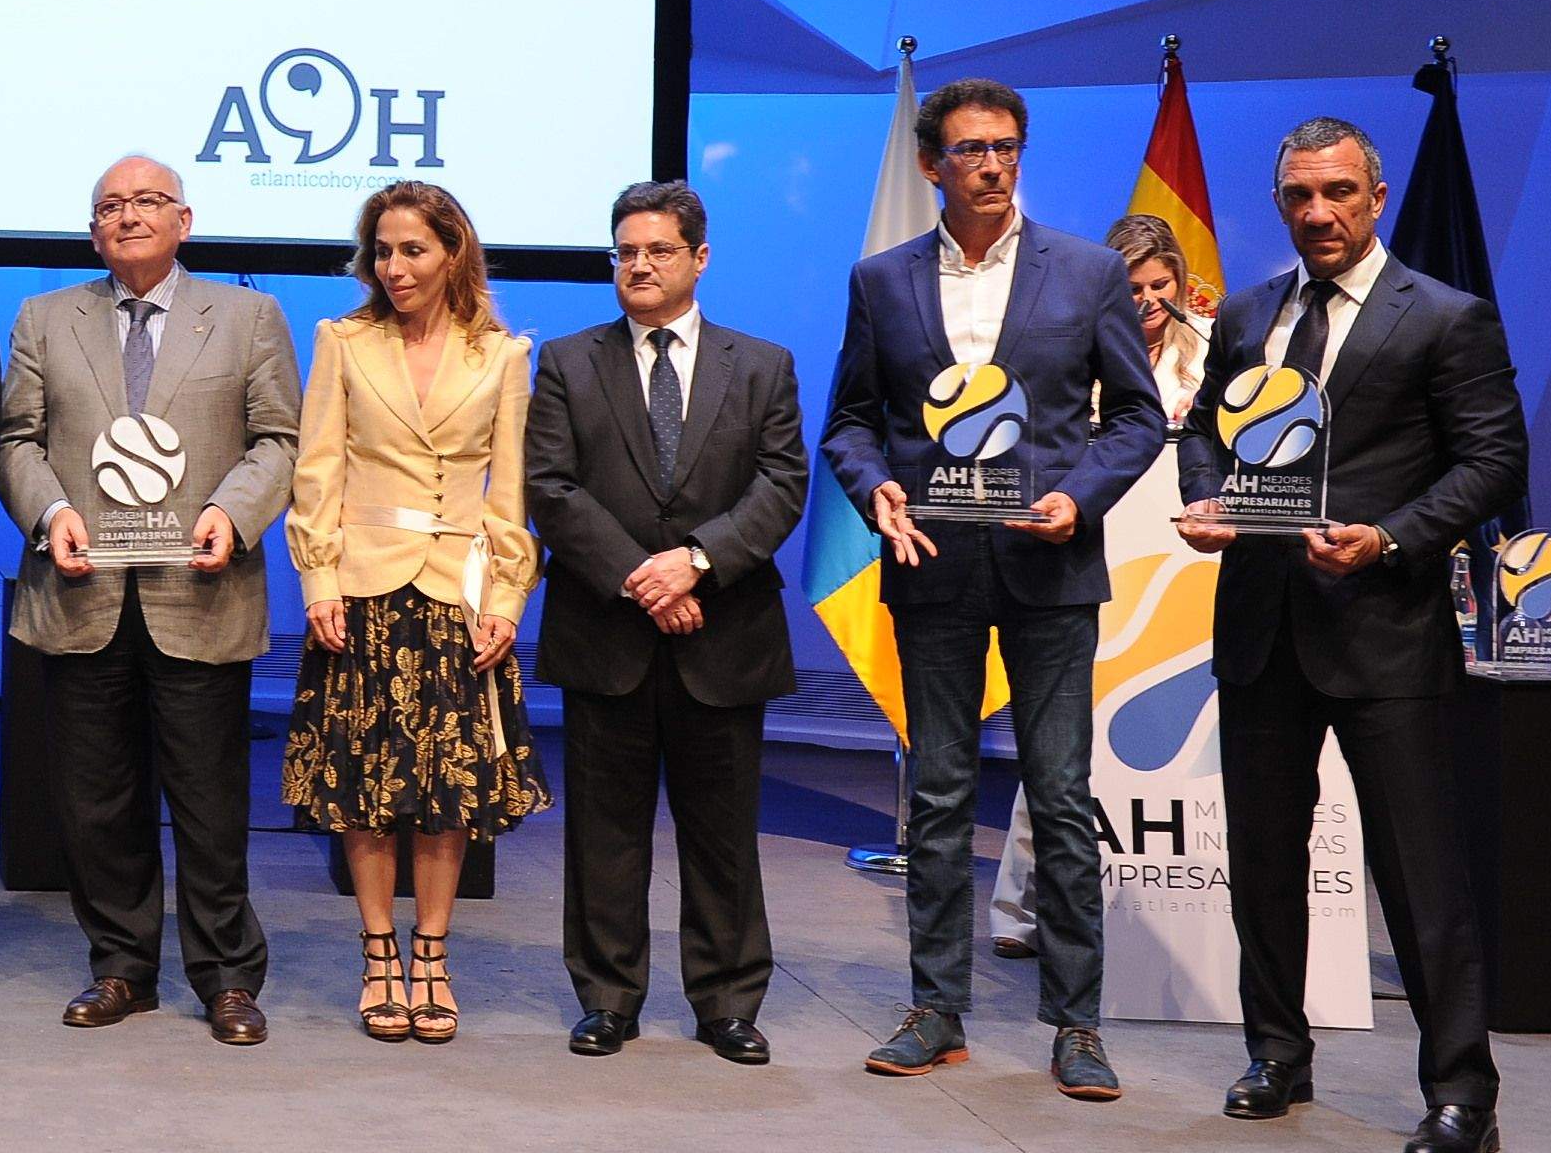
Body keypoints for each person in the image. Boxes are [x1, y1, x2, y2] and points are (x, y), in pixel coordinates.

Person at [1179, 117, 1525, 1153]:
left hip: (1384, 630)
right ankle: (1276, 1053)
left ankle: (1461, 1089)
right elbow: (1203, 425)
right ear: (1279, 200)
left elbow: (1493, 460)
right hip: (1260, 628)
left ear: (1373, 196)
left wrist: (1393, 538)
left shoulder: (1447, 316)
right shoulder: (1247, 310)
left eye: (1336, 191)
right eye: (1298, 195)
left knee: (1420, 873)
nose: (1317, 212)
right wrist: (1207, 494)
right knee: (1265, 865)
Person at [823, 78, 1162, 1099]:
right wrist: (873, 485)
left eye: (1007, 146)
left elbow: (1136, 417)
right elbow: (849, 419)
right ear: (932, 163)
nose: (992, 163)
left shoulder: (1089, 269)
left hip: (1049, 564)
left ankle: (1076, 1020)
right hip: (932, 562)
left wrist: (1079, 497)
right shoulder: (883, 279)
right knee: (934, 792)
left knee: (1059, 794)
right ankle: (936, 1007)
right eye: (971, 147)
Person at [0, 156, 298, 1046]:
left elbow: (280, 439)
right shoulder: (47, 319)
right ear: (94, 230)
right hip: (81, 595)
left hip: (199, 591)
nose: (128, 216)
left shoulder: (249, 317)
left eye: (147, 202)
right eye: (110, 207)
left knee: (208, 802)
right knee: (97, 803)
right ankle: (122, 966)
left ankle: (228, 979)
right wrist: (50, 512)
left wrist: (230, 515)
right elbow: (16, 439)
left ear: (185, 219)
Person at [526, 182, 807, 1065]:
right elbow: (551, 488)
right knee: (603, 835)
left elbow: (782, 485)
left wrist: (695, 562)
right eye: (624, 251)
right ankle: (608, 998)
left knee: (721, 836)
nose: (637, 265)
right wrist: (640, 580)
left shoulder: (761, 364)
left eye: (655, 250)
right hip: (605, 633)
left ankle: (727, 1002)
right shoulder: (571, 361)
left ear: (700, 258)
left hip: (722, 633)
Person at [283, 181, 549, 1044]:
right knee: (364, 789)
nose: (395, 268)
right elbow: (316, 475)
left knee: (447, 790)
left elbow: (509, 490)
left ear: (452, 254)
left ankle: (430, 956)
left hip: (459, 595)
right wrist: (320, 585)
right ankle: (376, 954)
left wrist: (507, 597)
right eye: (383, 252)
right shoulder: (343, 341)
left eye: (413, 250)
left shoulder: (503, 355)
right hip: (360, 591)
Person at [991, 211, 1209, 959]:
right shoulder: (1070, 348)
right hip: (1079, 560)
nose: (1148, 301)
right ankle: (1023, 909)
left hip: (1180, 582)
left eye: (1161, 286)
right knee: (1058, 748)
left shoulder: (1205, 364)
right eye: (1134, 287)